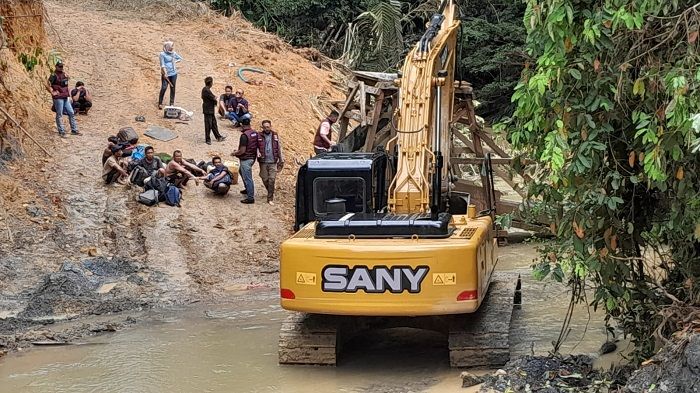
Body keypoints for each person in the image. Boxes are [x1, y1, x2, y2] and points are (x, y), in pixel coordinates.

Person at [47, 61, 80, 137]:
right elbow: (48, 84)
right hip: (58, 97)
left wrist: (69, 95)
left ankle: (74, 130)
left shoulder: (64, 74)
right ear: (56, 67)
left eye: (62, 66)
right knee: (59, 114)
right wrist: (52, 92)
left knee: (71, 112)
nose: (61, 68)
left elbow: (66, 85)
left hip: (65, 96)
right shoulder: (53, 75)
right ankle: (61, 131)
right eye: (60, 67)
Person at [232, 118, 259, 204]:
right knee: (241, 171)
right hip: (252, 157)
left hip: (246, 158)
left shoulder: (244, 136)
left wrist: (235, 153)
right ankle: (247, 189)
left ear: (242, 125)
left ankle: (250, 197)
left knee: (248, 178)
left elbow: (242, 150)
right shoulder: (254, 133)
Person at [257, 120, 284, 205]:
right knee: (265, 178)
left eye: (268, 127)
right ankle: (270, 190)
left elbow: (279, 147)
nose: (266, 128)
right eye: (264, 127)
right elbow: (256, 146)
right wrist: (257, 151)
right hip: (263, 161)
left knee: (272, 179)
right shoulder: (259, 135)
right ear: (262, 127)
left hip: (273, 161)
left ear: (270, 126)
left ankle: (270, 198)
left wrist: (281, 159)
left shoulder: (275, 135)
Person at [201, 76, 226, 145]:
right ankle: (208, 139)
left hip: (209, 109)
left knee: (214, 124)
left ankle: (218, 136)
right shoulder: (207, 90)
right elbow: (213, 98)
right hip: (208, 110)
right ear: (211, 83)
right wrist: (215, 99)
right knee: (208, 125)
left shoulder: (205, 89)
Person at [158, 40, 182, 109]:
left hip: (173, 73)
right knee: (164, 87)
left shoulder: (173, 53)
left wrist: (174, 61)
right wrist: (165, 73)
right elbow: (162, 64)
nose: (172, 48)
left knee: (173, 88)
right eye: (171, 46)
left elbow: (180, 58)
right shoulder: (162, 54)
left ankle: (171, 103)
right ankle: (160, 103)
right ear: (168, 47)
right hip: (166, 74)